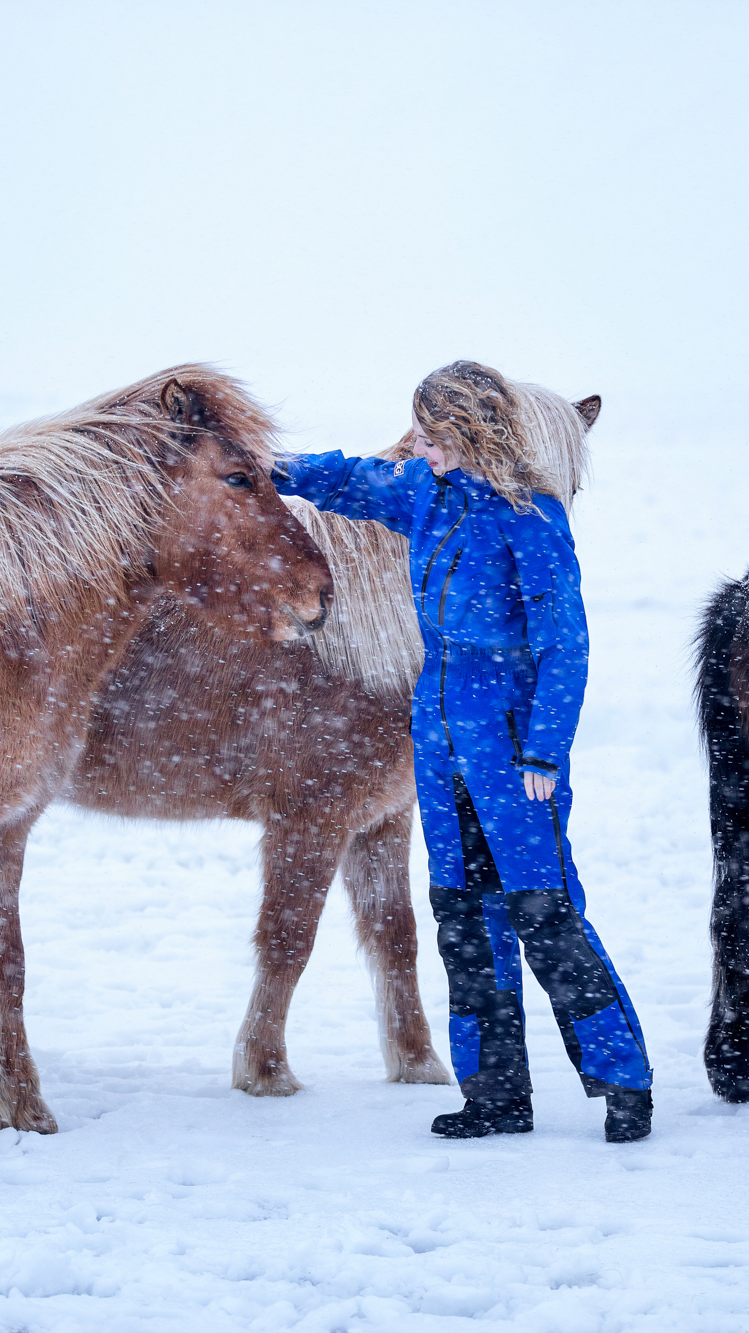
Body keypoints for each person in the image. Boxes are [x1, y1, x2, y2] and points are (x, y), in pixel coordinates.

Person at [272, 360, 653, 1143]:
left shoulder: (531, 520)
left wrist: (545, 752)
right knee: (464, 919)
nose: (416, 445)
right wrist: (265, 465)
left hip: (511, 748)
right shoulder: (425, 492)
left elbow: (564, 645)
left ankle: (624, 1080)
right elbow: (347, 480)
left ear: (471, 431)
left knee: (545, 912)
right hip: (440, 738)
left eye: (430, 433)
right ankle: (495, 1094)